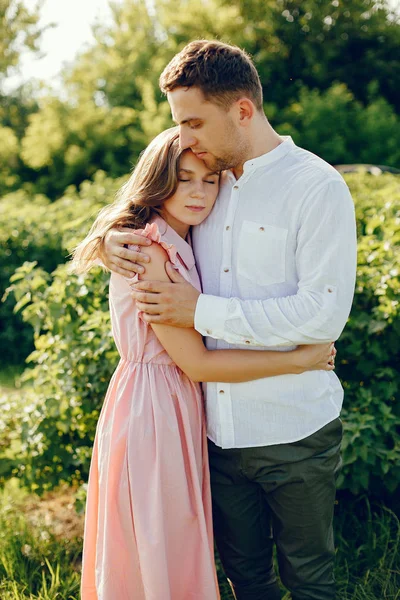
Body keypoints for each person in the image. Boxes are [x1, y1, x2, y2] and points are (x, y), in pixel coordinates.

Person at [101, 41, 357, 600]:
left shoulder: (316, 187)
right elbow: (152, 225)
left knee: (310, 580)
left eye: (193, 122)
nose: (185, 139)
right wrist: (108, 241)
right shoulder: (206, 185)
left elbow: (323, 312)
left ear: (242, 109)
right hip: (211, 431)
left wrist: (201, 311)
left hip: (294, 428)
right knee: (246, 578)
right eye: (179, 125)